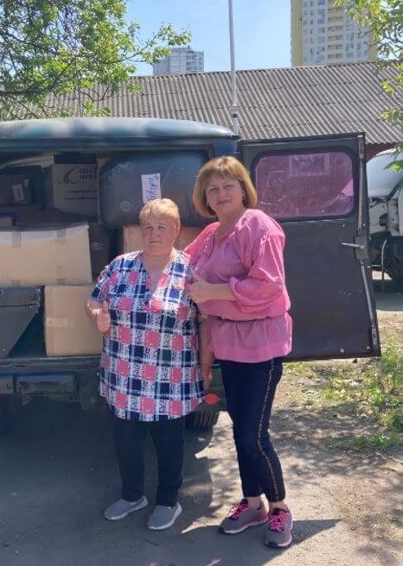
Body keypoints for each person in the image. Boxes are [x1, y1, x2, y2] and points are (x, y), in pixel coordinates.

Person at [184, 156, 294, 549]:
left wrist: (213, 291)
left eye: (229, 185)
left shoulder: (259, 226)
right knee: (240, 432)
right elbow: (185, 267)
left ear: (243, 189)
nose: (221, 193)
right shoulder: (211, 232)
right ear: (204, 198)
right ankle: (253, 504)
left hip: (261, 342)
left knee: (253, 434)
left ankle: (279, 509)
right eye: (212, 189)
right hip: (228, 340)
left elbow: (268, 285)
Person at [87, 198, 204, 531]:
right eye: (148, 227)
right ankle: (132, 495)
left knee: (169, 445)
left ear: (176, 230)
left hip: (171, 379)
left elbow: (207, 321)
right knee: (127, 442)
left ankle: (169, 501)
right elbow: (94, 299)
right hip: (124, 377)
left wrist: (207, 365)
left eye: (162, 227)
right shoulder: (120, 265)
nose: (154, 234)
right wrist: (97, 315)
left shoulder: (191, 270)